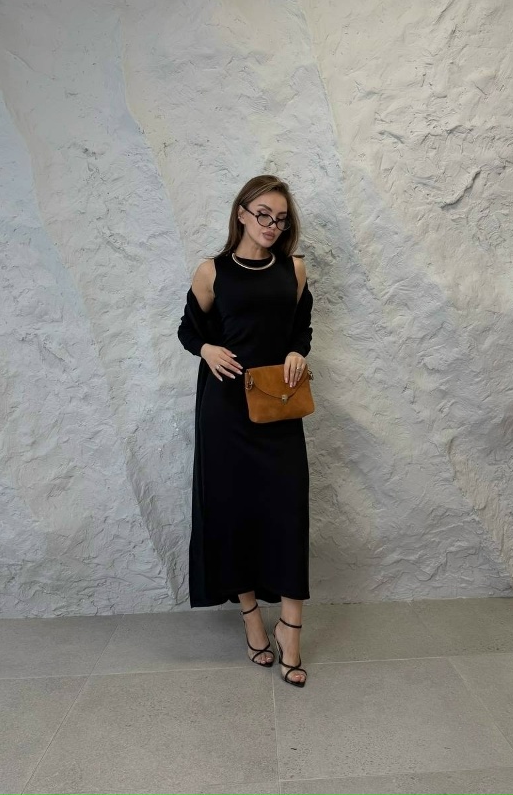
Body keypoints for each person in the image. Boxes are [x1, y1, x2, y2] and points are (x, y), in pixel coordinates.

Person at [177, 174, 314, 687]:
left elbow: (300, 327)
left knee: (288, 514)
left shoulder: (293, 269)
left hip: (278, 407)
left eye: (280, 219)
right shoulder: (211, 272)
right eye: (263, 215)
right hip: (226, 412)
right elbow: (188, 329)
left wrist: (297, 350)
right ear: (241, 213)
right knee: (234, 515)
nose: (272, 225)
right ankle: (253, 620)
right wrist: (206, 348)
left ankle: (290, 632)